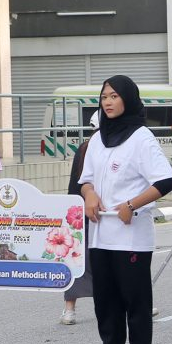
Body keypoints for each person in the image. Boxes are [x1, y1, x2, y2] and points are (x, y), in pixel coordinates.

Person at [80, 75, 172, 344]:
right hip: (100, 236)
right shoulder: (97, 139)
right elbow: (86, 180)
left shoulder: (141, 137)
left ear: (128, 99)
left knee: (135, 303)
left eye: (114, 96)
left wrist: (132, 205)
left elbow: (165, 181)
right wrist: (90, 194)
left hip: (131, 236)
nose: (107, 101)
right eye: (104, 96)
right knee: (105, 304)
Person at [61, 114, 99, 325]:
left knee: (78, 260)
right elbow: (77, 185)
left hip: (88, 213)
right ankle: (69, 308)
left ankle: (69, 310)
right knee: (77, 260)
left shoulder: (85, 148)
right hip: (91, 213)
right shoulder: (89, 149)